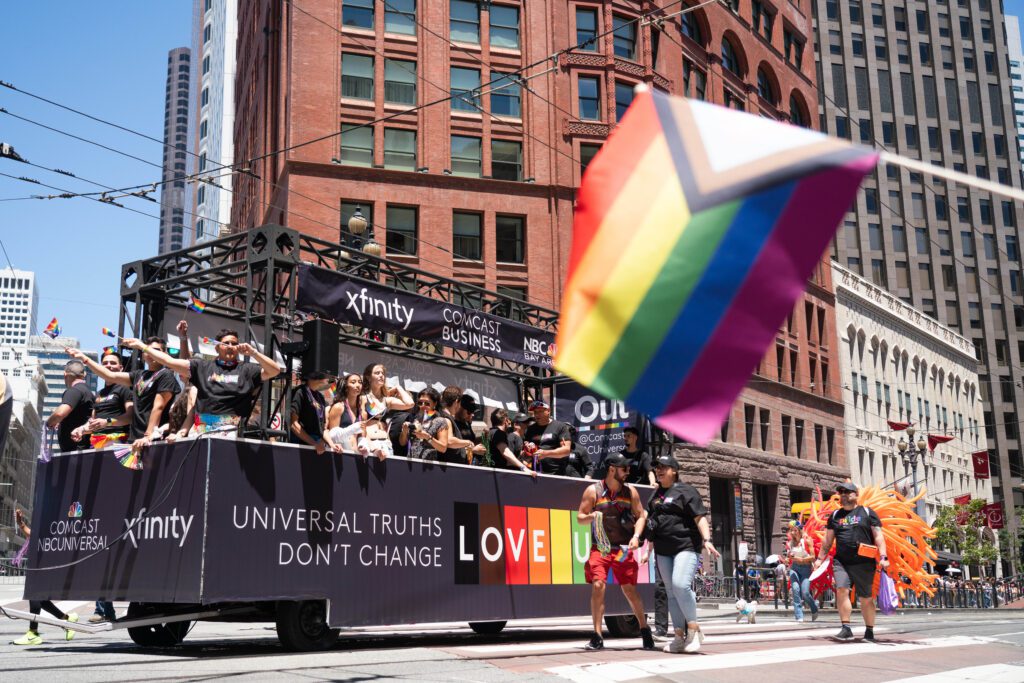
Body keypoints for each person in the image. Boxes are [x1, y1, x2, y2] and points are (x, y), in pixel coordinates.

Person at [122, 329, 280, 435]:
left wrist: (254, 353)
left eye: (234, 343)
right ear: (217, 348)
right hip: (202, 426)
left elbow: (275, 370)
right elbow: (169, 361)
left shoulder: (247, 369)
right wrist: (142, 346)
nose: (231, 346)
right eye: (226, 343)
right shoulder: (202, 366)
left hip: (233, 427)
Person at [576, 453, 655, 651]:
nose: (628, 472)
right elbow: (580, 517)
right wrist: (592, 516)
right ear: (612, 469)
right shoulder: (593, 491)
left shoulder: (631, 492)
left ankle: (644, 630)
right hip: (601, 548)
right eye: (624, 468)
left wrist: (636, 536)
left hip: (622, 549)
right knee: (598, 584)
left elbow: (641, 516)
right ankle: (597, 636)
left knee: (630, 590)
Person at [645, 455, 719, 653]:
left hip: (685, 546)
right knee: (670, 592)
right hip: (662, 549)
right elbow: (652, 524)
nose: (659, 470)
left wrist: (707, 540)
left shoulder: (687, 491)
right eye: (657, 468)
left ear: (674, 471)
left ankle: (694, 631)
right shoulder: (655, 495)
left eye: (664, 467)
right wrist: (648, 549)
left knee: (680, 584)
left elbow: (700, 518)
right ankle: (678, 636)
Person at [69, 337, 180, 452]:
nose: (151, 353)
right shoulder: (139, 375)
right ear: (143, 355)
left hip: (155, 439)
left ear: (165, 354)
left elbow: (159, 407)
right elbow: (109, 376)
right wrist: (84, 358)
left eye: (157, 350)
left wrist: (148, 436)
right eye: (147, 350)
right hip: (135, 439)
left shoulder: (166, 375)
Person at [812, 482, 889, 642]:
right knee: (842, 589)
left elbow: (878, 536)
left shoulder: (867, 513)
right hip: (842, 562)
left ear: (856, 494)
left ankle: (869, 631)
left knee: (866, 598)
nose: (843, 494)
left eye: (847, 491)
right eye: (841, 492)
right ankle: (846, 628)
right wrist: (820, 559)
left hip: (864, 562)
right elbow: (827, 540)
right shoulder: (835, 516)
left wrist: (883, 557)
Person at [11, 509, 79, 645]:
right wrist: (20, 523)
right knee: (40, 601)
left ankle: (34, 632)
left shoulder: (53, 529)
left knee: (36, 598)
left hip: (46, 569)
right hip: (40, 569)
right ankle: (66, 619)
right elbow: (31, 534)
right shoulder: (42, 531)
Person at [71, 351, 134, 452]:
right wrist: (81, 430)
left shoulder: (125, 389)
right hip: (97, 445)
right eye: (105, 363)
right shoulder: (99, 393)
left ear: (121, 368)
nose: (108, 365)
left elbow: (130, 417)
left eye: (113, 363)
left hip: (118, 443)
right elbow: (93, 421)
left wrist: (107, 422)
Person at [359, 363, 413, 460]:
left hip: (387, 444)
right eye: (377, 373)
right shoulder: (363, 398)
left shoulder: (386, 400)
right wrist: (372, 447)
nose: (381, 375)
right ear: (368, 377)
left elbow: (410, 403)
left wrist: (398, 388)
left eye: (383, 373)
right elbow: (361, 426)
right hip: (371, 443)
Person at [290, 370, 344, 453]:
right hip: (300, 447)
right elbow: (293, 424)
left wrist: (332, 444)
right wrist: (314, 443)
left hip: (316, 447)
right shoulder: (300, 392)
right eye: (326, 373)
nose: (329, 377)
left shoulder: (320, 397)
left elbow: (323, 429)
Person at [47, 360, 94, 453]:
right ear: (84, 374)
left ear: (65, 374)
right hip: (82, 449)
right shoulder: (89, 393)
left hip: (74, 451)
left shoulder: (74, 391)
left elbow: (60, 413)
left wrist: (49, 422)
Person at [400, 387, 450, 461]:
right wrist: (404, 431)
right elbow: (402, 443)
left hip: (428, 466)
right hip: (410, 463)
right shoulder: (414, 419)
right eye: (420, 403)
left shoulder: (440, 421)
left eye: (427, 403)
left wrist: (427, 437)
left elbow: (443, 448)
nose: (423, 405)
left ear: (435, 404)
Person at [524, 400, 572, 476]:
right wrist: (527, 450)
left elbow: (566, 450)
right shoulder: (530, 429)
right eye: (535, 412)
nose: (537, 414)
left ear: (548, 411)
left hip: (556, 474)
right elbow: (526, 452)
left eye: (540, 411)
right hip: (535, 473)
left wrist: (546, 453)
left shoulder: (560, 426)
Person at [440, 386, 484, 465]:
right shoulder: (446, 419)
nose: (472, 415)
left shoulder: (446, 417)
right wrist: (469, 444)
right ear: (457, 402)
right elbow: (449, 441)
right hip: (450, 466)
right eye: (469, 411)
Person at [786, 521, 818, 623]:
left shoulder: (807, 540)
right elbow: (789, 557)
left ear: (800, 530)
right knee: (795, 590)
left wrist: (802, 560)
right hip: (794, 568)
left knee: (805, 593)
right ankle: (799, 616)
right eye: (791, 531)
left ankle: (814, 608)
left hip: (806, 569)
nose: (793, 533)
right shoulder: (790, 543)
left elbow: (813, 557)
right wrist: (788, 558)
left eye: (795, 530)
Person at [486, 408, 533, 475]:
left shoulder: (490, 432)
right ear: (505, 420)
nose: (509, 422)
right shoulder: (498, 433)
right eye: (508, 419)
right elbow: (505, 452)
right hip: (499, 474)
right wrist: (523, 467)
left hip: (491, 472)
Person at [327, 372, 363, 451]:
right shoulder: (338, 407)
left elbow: (361, 435)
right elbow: (333, 435)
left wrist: (363, 445)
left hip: (356, 454)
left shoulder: (360, 410)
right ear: (346, 387)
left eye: (360, 382)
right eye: (353, 382)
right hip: (340, 453)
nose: (358, 385)